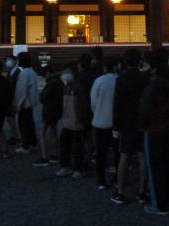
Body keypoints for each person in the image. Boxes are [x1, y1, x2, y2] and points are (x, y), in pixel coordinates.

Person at [138, 48, 169, 215]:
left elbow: (146, 110)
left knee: (154, 166)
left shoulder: (152, 85)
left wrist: (142, 125)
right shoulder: (166, 82)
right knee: (166, 164)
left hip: (153, 128)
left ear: (152, 66)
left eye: (146, 63)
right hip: (166, 126)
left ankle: (158, 204)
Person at [111, 48, 149, 205]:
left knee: (124, 155)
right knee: (142, 156)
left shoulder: (121, 78)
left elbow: (117, 104)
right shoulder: (145, 78)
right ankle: (142, 191)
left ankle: (120, 191)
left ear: (124, 62)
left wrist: (116, 125)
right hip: (141, 119)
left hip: (126, 121)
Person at [56, 63, 90, 179]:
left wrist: (83, 119)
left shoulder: (77, 86)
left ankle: (78, 168)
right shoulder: (67, 86)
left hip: (77, 121)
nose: (64, 75)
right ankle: (66, 166)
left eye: (67, 72)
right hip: (67, 120)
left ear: (74, 73)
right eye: (64, 72)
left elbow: (83, 105)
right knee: (65, 144)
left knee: (77, 146)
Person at [90, 56, 119, 189]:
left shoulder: (99, 81)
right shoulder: (119, 80)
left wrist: (97, 112)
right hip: (116, 123)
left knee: (101, 152)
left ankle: (100, 180)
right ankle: (118, 177)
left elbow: (93, 102)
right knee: (118, 151)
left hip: (100, 121)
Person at [33, 65, 63, 167]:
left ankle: (44, 156)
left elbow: (42, 97)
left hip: (48, 110)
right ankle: (55, 154)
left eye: (44, 75)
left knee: (42, 133)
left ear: (47, 73)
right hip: (57, 110)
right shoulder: (60, 82)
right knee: (53, 131)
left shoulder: (51, 83)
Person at [13, 52, 39, 155]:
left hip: (24, 104)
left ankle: (26, 146)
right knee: (30, 124)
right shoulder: (31, 72)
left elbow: (21, 91)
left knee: (24, 125)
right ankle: (33, 144)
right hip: (30, 103)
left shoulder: (24, 73)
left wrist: (18, 104)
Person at [4, 55, 22, 145]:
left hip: (14, 98)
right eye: (7, 60)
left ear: (15, 62)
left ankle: (17, 137)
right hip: (9, 98)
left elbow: (18, 87)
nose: (8, 62)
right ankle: (14, 135)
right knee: (10, 118)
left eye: (10, 60)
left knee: (11, 118)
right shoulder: (10, 71)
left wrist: (16, 100)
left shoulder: (18, 72)